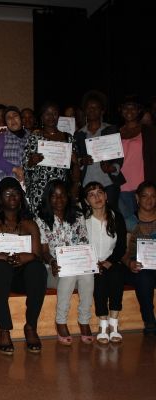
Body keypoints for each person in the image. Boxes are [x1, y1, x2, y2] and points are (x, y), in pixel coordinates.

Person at [0, 177, 47, 354]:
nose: (12, 197)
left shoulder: (30, 224)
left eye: (16, 193)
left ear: (21, 197)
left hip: (20, 275)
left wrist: (26, 257)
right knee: (1, 268)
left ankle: (30, 326)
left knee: (37, 269)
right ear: (0, 197)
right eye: (8, 193)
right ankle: (3, 329)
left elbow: (37, 255)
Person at [36, 180, 93, 345]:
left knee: (88, 274)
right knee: (68, 275)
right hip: (53, 269)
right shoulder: (41, 219)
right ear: (48, 198)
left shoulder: (78, 215)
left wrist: (86, 262)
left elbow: (84, 242)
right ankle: (60, 321)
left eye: (62, 195)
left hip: (78, 266)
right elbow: (44, 251)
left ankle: (84, 320)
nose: (58, 200)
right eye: (54, 196)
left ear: (68, 197)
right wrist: (52, 261)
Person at [84, 181, 127, 344]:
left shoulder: (117, 217)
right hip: (91, 264)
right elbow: (81, 245)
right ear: (87, 201)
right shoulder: (83, 220)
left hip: (112, 261)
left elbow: (121, 246)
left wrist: (109, 261)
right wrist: (94, 263)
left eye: (100, 192)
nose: (97, 197)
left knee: (117, 274)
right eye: (91, 194)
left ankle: (114, 323)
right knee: (99, 278)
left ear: (106, 196)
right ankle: (102, 324)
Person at [24, 101, 80, 214]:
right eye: (47, 113)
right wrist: (31, 161)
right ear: (42, 117)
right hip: (40, 189)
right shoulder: (35, 137)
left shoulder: (68, 138)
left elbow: (76, 171)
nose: (51, 117)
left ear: (58, 116)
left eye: (54, 113)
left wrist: (75, 162)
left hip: (61, 192)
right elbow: (26, 166)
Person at [74, 91, 123, 211]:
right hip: (87, 183)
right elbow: (76, 159)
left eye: (96, 107)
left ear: (102, 111)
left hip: (108, 183)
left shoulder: (111, 130)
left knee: (111, 216)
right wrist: (82, 161)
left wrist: (112, 168)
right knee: (90, 216)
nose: (92, 110)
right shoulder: (79, 134)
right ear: (85, 110)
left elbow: (119, 157)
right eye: (89, 107)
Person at [123, 181, 156, 335]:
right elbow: (122, 251)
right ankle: (150, 322)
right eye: (145, 196)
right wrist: (129, 263)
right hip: (136, 268)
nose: (149, 200)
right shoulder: (129, 221)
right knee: (144, 276)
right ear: (137, 198)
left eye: (153, 196)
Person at [118, 95, 156, 220]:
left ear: (139, 110)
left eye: (133, 108)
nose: (129, 111)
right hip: (121, 187)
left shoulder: (148, 131)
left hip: (143, 188)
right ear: (121, 110)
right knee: (129, 226)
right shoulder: (114, 132)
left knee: (145, 224)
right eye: (126, 108)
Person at [0, 106, 28, 207]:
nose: (12, 119)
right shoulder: (1, 137)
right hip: (5, 190)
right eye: (8, 118)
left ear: (21, 118)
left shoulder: (31, 137)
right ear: (6, 122)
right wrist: (15, 169)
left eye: (15, 116)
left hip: (27, 187)